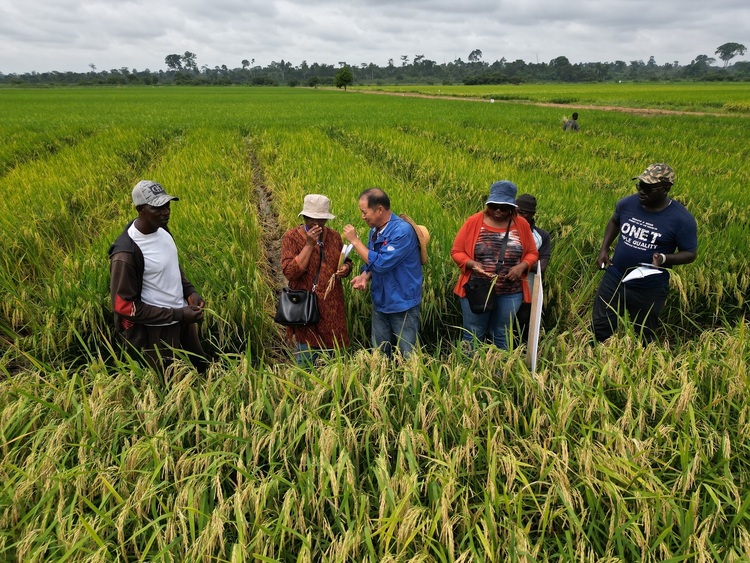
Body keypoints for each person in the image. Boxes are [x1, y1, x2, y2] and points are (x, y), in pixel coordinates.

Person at [109, 180, 208, 374]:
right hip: (156, 333)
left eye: (167, 205)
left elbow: (171, 266)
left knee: (201, 369)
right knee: (171, 383)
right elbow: (124, 306)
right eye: (158, 207)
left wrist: (190, 291)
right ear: (140, 209)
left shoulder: (162, 230)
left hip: (183, 320)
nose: (166, 211)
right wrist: (178, 314)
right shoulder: (126, 254)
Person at [592, 163, 697, 343]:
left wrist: (665, 258)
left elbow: (690, 253)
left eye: (648, 188)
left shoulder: (681, 219)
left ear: (665, 189)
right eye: (640, 185)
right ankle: (596, 357)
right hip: (616, 277)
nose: (642, 191)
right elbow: (614, 222)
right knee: (600, 326)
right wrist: (604, 249)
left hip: (649, 287)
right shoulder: (627, 204)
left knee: (643, 334)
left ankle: (639, 365)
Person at [451, 181, 539, 350]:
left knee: (502, 332)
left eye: (504, 207)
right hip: (477, 290)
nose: (498, 211)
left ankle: (500, 371)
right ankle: (469, 371)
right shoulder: (473, 222)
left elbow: (532, 253)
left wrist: (521, 267)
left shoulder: (521, 225)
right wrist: (471, 263)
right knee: (473, 333)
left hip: (510, 292)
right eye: (493, 206)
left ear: (512, 207)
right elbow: (457, 251)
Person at [342, 188, 426, 359]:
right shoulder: (375, 231)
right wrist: (364, 275)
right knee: (380, 355)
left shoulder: (402, 232)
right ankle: (382, 382)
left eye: (364, 212)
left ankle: (412, 385)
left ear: (379, 209)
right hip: (381, 301)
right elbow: (372, 261)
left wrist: (355, 241)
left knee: (409, 355)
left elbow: (380, 263)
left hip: (403, 304)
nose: (362, 217)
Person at [281, 194, 353, 365]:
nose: (317, 224)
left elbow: (346, 260)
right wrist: (308, 245)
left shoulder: (334, 237)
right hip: (306, 307)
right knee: (307, 360)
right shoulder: (291, 237)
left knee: (334, 360)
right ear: (305, 217)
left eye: (321, 220)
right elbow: (290, 272)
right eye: (312, 219)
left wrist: (346, 268)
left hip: (332, 308)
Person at [514, 194, 552, 343]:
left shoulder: (541, 236)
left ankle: (521, 346)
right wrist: (529, 262)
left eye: (523, 213)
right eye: (516, 212)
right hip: (504, 283)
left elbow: (542, 266)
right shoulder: (505, 229)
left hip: (528, 284)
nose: (518, 216)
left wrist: (518, 265)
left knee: (524, 316)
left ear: (532, 214)